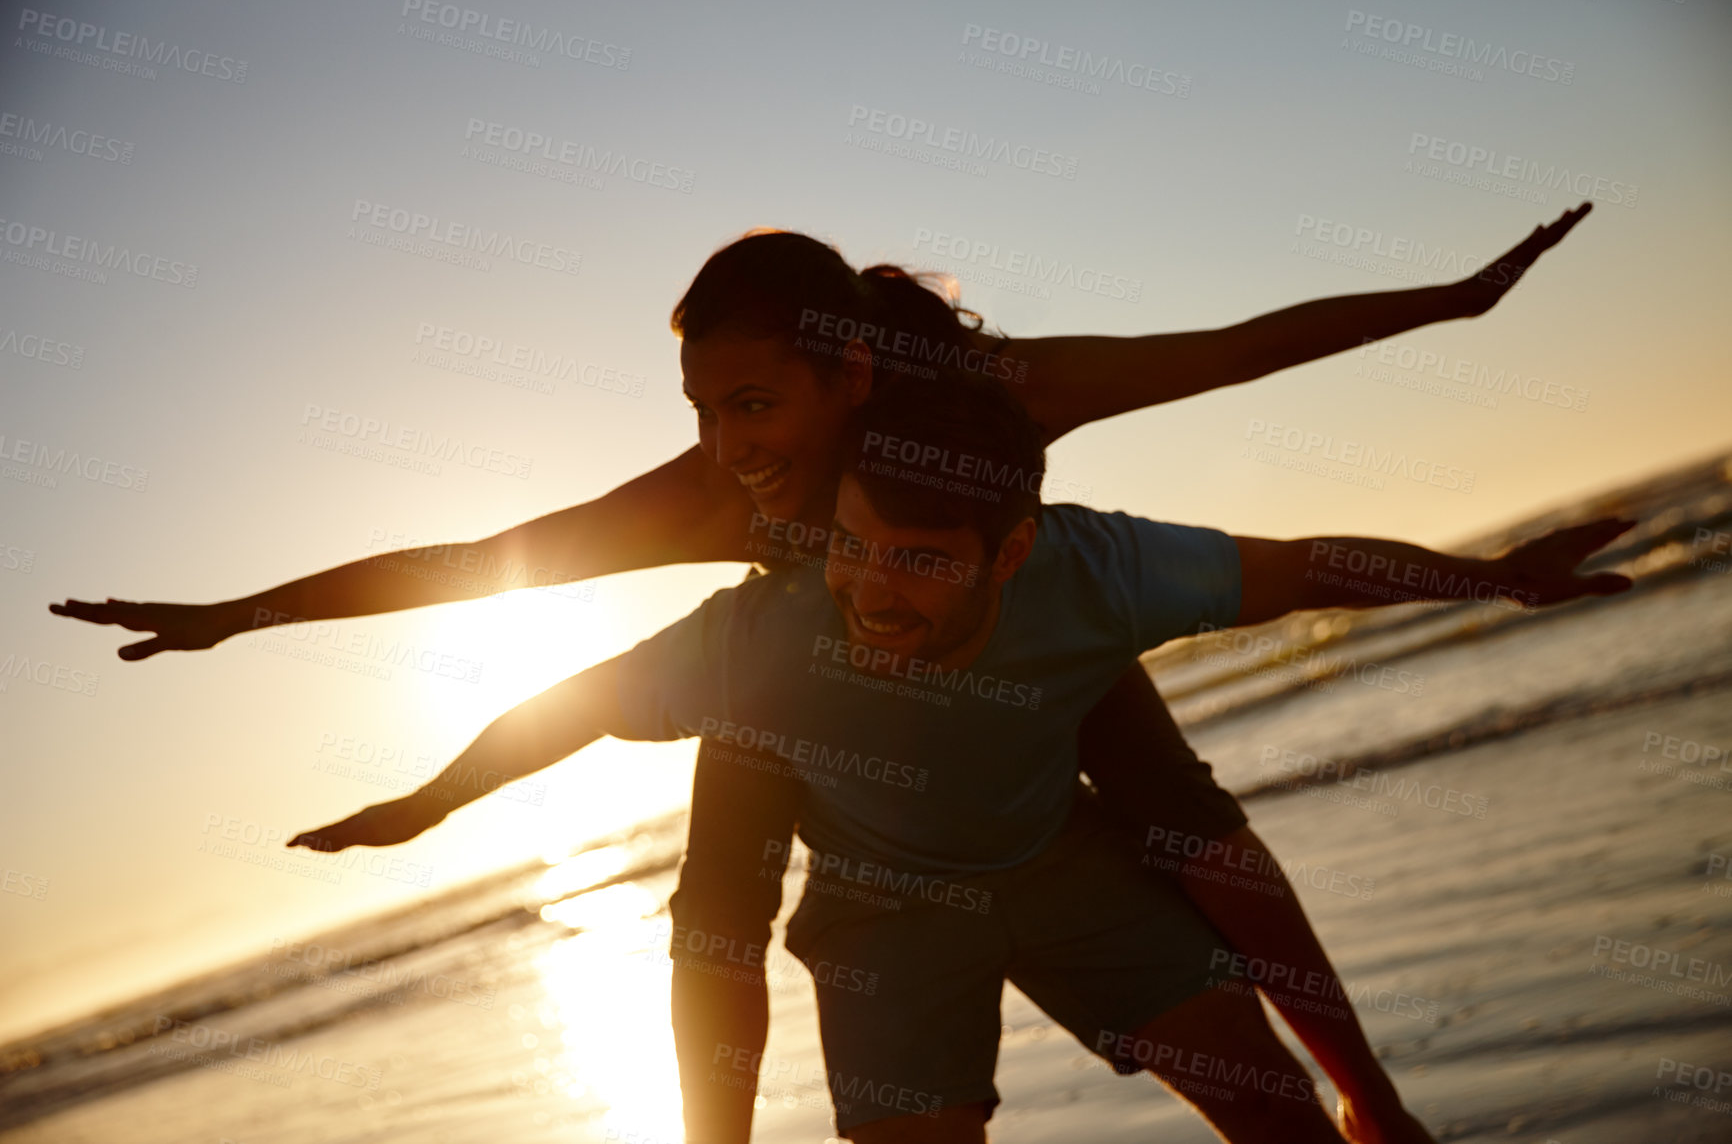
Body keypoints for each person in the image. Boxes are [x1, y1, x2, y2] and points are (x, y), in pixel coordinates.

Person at [50, 209, 1594, 1142]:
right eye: (702, 406)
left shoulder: (995, 398)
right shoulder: (716, 506)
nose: (729, 442)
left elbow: (1236, 348)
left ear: (853, 369)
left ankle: (1363, 1096)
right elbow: (478, 558)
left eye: (753, 400)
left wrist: (1451, 303)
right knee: (720, 889)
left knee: (1168, 791)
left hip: (1006, 619)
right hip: (800, 682)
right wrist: (239, 614)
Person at [286, 367, 1630, 1142]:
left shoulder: (1099, 569)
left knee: (1274, 1108)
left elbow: (1308, 570)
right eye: (858, 546)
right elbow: (568, 703)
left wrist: (1495, 577)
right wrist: (425, 800)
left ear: (1012, 552)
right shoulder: (767, 628)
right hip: (881, 914)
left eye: (922, 563)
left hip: (1057, 857)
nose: (875, 591)